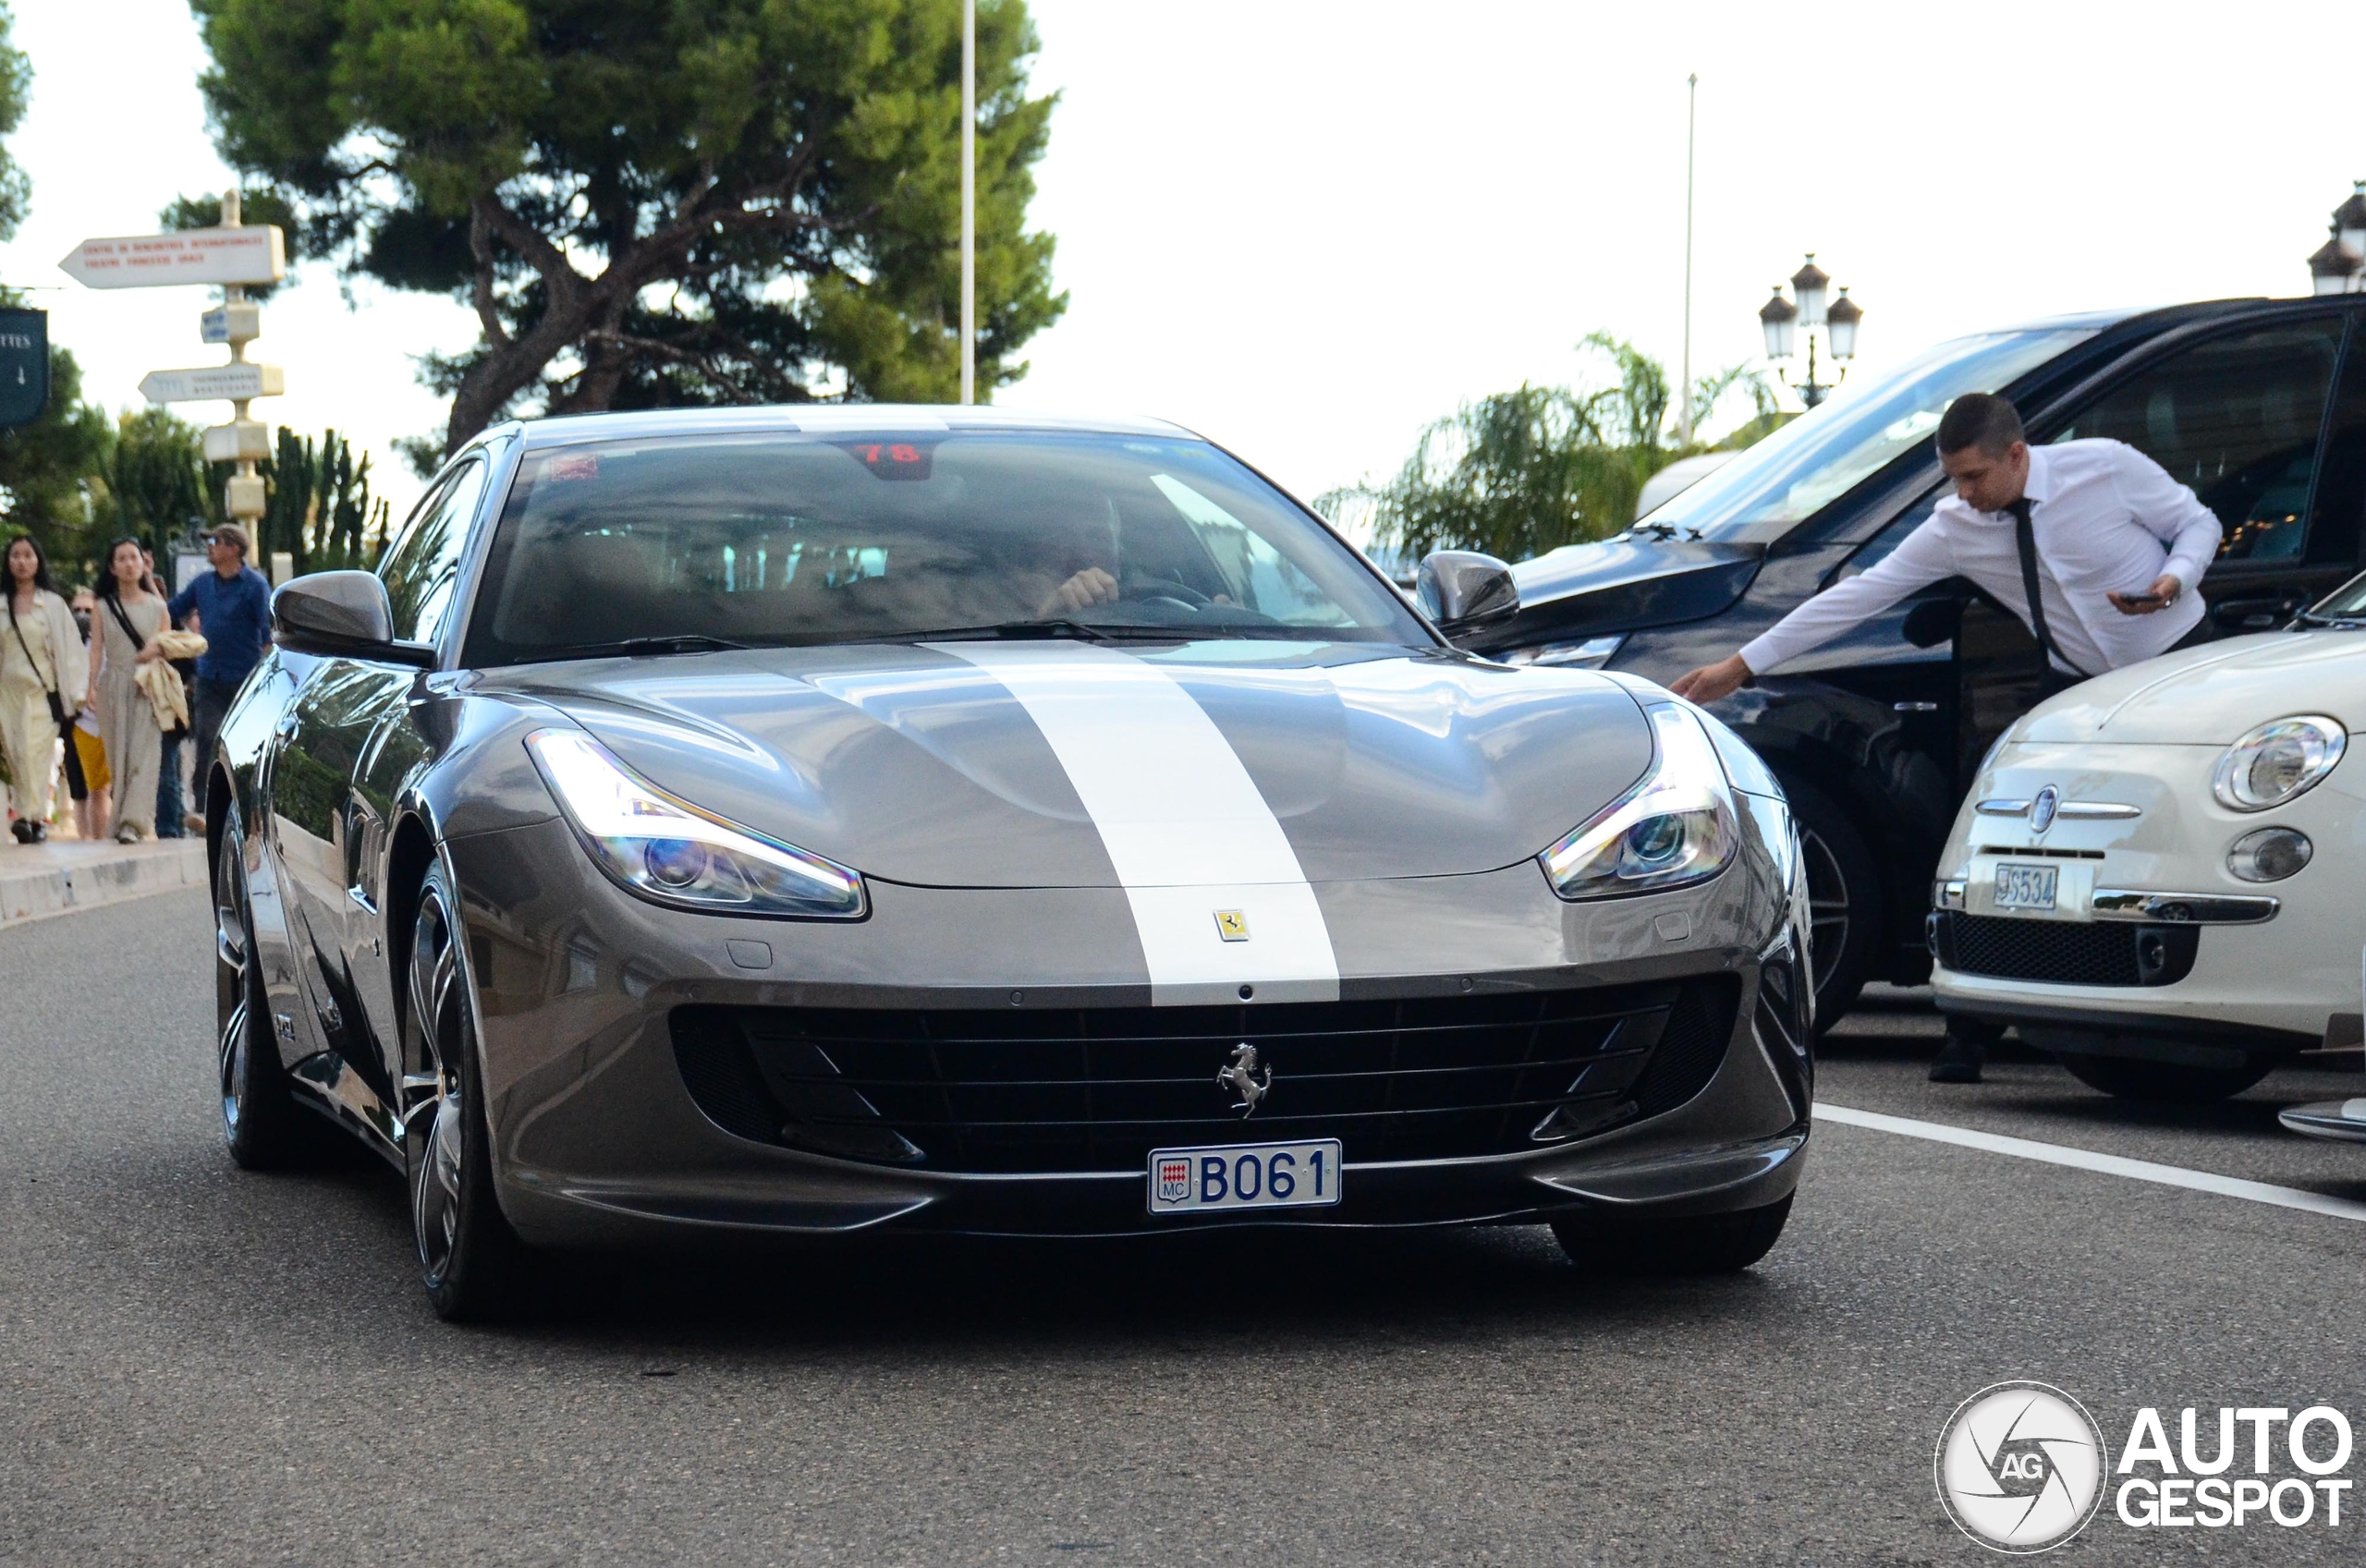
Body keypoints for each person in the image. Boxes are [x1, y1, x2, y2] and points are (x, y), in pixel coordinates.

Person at [1668, 393, 2224, 1084]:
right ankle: (1969, 1028)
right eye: (1953, 479)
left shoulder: (2103, 468)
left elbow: (2196, 521)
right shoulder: (1957, 525)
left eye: (1974, 477)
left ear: (2017, 456)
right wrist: (1740, 665)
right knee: (2011, 835)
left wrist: (2175, 579)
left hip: (2180, 670)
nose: (1964, 493)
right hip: (2077, 691)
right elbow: (1859, 596)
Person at [168, 523, 272, 832]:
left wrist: (264, 679)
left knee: (246, 748)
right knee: (208, 741)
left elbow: (268, 636)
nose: (209, 546)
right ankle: (203, 809)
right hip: (209, 678)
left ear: (234, 548)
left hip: (244, 680)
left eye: (215, 541)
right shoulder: (202, 584)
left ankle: (247, 812)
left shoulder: (255, 585)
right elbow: (171, 610)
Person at [0, 533, 88, 844]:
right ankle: (33, 817)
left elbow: (71, 652)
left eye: (28, 555)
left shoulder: (52, 605)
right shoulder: (1, 605)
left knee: (34, 753)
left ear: (38, 561)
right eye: (15, 555)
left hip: (41, 693)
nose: (21, 562)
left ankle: (29, 816)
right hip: (7, 694)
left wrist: (76, 694)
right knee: (15, 754)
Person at [90, 537, 170, 842]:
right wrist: (91, 685)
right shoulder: (102, 607)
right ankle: (120, 819)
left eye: (133, 558)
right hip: (114, 684)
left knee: (145, 755)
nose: (128, 564)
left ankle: (133, 824)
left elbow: (170, 644)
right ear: (112, 567)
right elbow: (96, 649)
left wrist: (156, 651)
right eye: (121, 559)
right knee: (118, 757)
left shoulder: (158, 606)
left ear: (142, 563)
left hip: (148, 685)